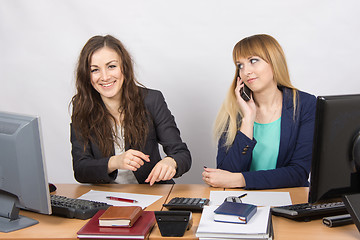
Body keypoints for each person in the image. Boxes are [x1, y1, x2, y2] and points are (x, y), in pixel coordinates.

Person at [70, 35, 191, 185]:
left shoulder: (152, 100)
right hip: (105, 197)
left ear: (124, 68)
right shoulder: (81, 106)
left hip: (149, 192)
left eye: (111, 66)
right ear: (86, 75)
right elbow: (80, 169)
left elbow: (182, 154)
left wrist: (171, 162)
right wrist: (114, 162)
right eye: (95, 70)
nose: (105, 77)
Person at [202, 34, 316, 189]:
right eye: (240, 65)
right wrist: (248, 119)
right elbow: (225, 174)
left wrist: (242, 180)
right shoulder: (234, 111)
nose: (246, 71)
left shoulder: (304, 104)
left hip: (291, 200)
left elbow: (298, 173)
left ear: (274, 61)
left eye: (253, 61)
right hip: (243, 202)